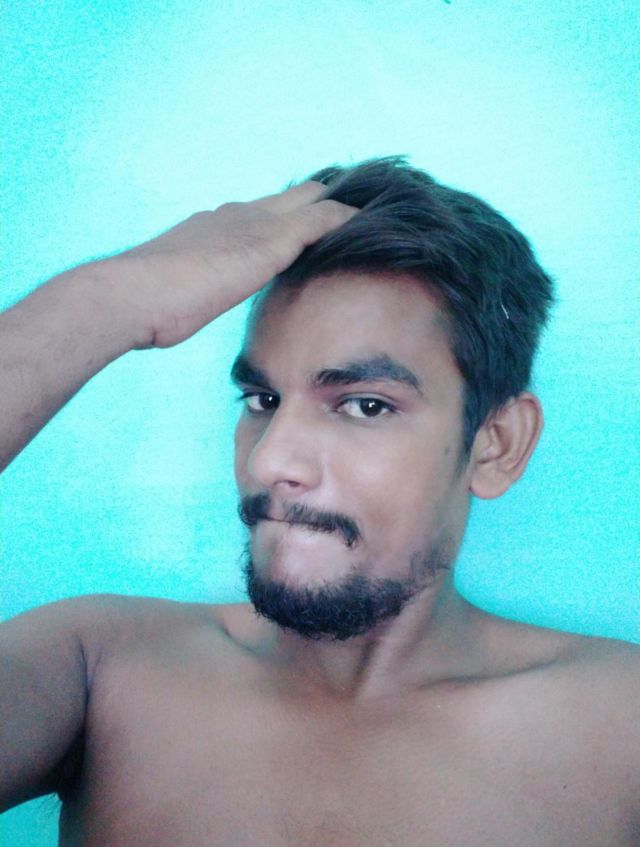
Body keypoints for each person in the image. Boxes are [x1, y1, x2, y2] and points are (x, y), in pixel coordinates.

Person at [0, 156, 638, 846]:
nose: (270, 461)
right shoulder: (96, 668)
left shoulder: (621, 727)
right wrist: (111, 297)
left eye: (365, 405)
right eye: (262, 399)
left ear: (496, 444)